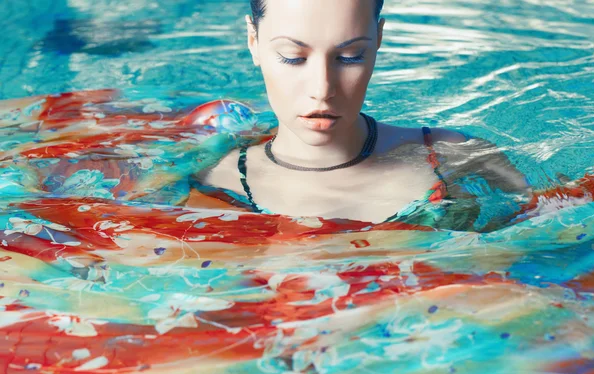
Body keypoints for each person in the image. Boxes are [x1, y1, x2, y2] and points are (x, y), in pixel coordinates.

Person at [189, 0, 531, 231]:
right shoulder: (218, 185)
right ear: (253, 41)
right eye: (293, 57)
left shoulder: (456, 156)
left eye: (351, 56)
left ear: (379, 38)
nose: (322, 89)